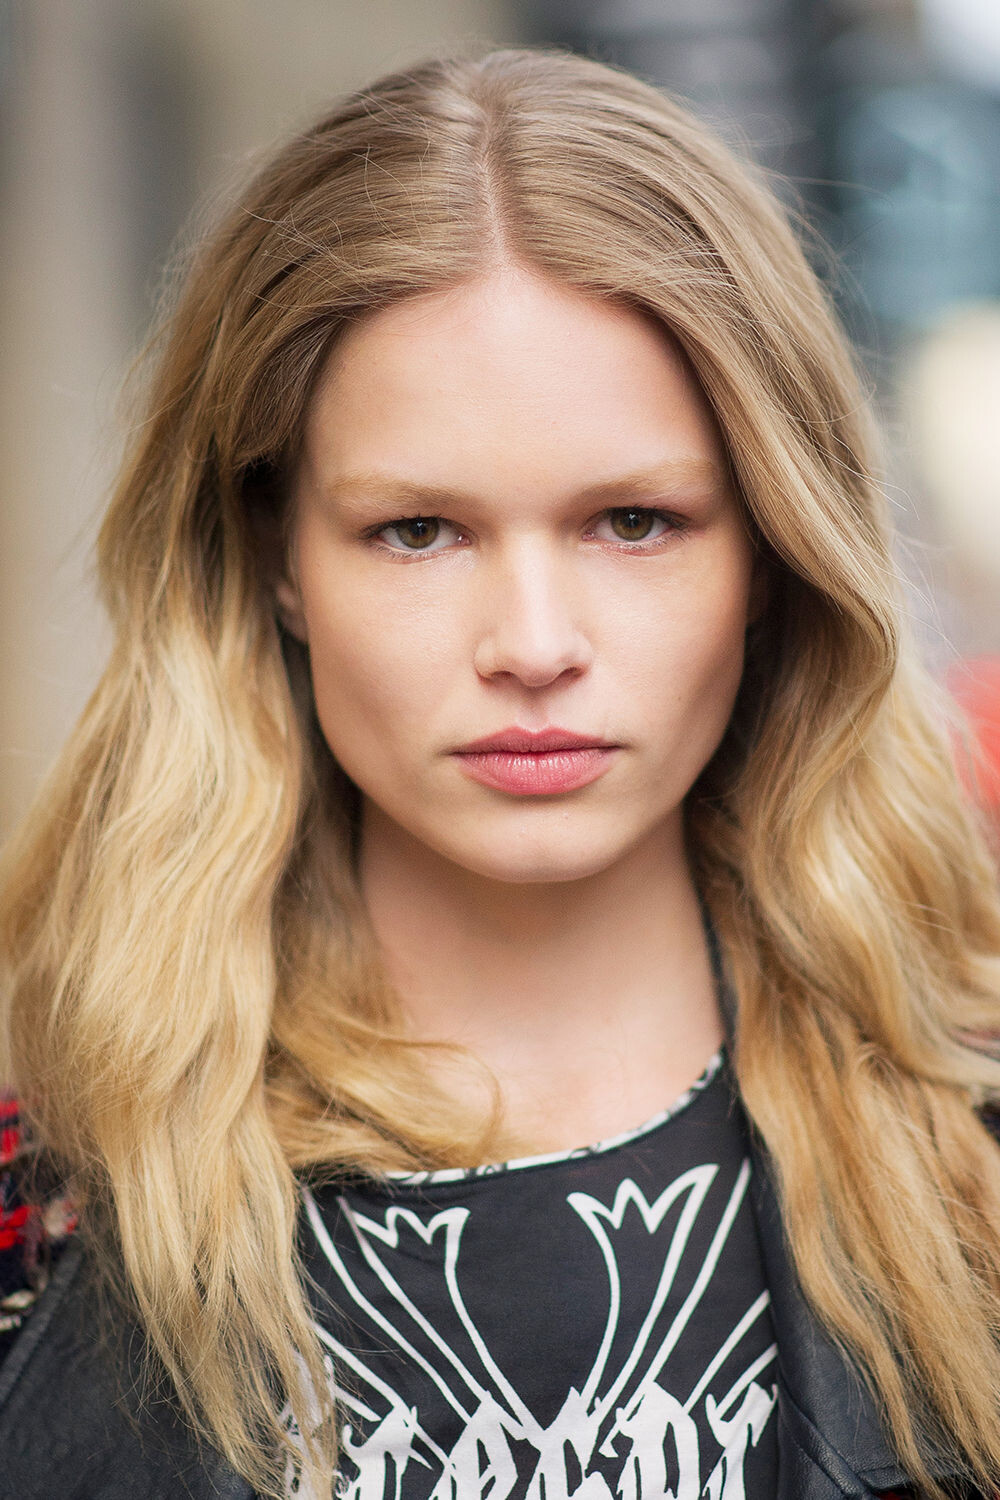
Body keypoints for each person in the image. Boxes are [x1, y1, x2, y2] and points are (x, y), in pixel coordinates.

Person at [1, 46, 999, 1500]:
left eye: (635, 522)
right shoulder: (40, 1215)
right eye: (418, 531)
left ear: (777, 551)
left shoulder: (977, 1146)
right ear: (275, 556)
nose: (533, 645)